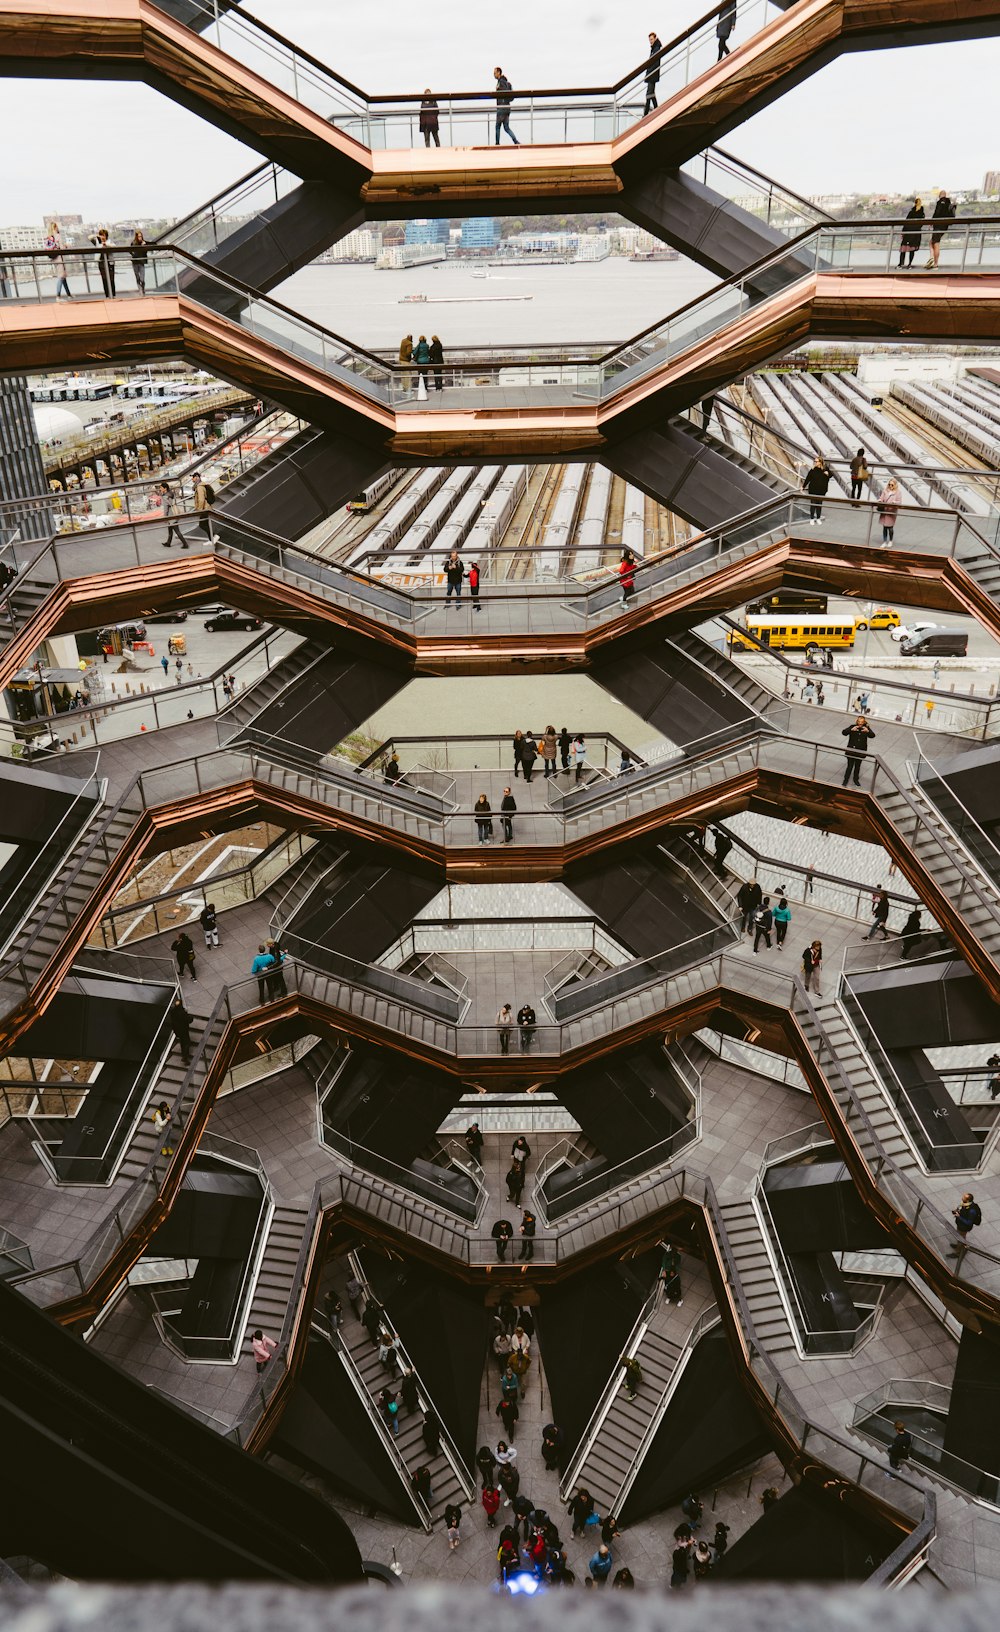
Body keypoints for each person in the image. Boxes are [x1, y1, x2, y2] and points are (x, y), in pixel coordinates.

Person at [842, 715, 875, 786]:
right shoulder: (852, 727)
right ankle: (845, 780)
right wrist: (851, 730)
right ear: (857, 721)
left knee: (857, 766)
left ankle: (856, 779)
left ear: (864, 722)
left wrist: (868, 731)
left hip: (860, 752)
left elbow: (872, 735)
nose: (860, 723)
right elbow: (844, 732)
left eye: (862, 722)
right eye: (859, 721)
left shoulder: (866, 728)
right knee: (850, 766)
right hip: (851, 751)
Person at [927, 189, 955, 268]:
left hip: (938, 225)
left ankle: (935, 263)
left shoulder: (940, 203)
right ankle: (932, 259)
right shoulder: (949, 203)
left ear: (940, 195)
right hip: (945, 226)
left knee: (936, 243)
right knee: (933, 242)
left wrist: (932, 222)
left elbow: (937, 213)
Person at [494, 67, 519, 144]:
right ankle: (516, 141)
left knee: (498, 126)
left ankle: (497, 144)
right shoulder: (506, 82)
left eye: (494, 73)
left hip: (502, 106)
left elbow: (503, 92)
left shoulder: (501, 82)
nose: (494, 75)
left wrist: (498, 89)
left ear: (499, 73)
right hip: (507, 107)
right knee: (506, 127)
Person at [45, 223, 71, 298]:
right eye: (56, 227)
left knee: (63, 276)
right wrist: (66, 246)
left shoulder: (49, 237)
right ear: (55, 228)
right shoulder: (57, 236)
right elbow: (62, 247)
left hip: (54, 258)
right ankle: (58, 296)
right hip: (59, 258)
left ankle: (69, 294)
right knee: (61, 276)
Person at [803, 456, 831, 524]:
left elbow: (831, 475)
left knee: (819, 504)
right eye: (814, 461)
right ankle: (812, 518)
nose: (815, 463)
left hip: (821, 490)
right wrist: (803, 486)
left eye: (816, 461)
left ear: (820, 462)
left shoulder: (825, 469)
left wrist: (827, 474)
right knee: (813, 504)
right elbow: (808, 478)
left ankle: (818, 518)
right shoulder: (813, 469)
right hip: (813, 489)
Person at [89, 227, 116, 297]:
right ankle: (107, 295)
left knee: (111, 279)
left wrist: (106, 244)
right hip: (101, 263)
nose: (103, 237)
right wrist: (97, 236)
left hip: (110, 263)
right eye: (101, 235)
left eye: (104, 235)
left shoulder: (109, 242)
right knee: (104, 280)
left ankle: (113, 294)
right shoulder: (97, 242)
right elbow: (89, 238)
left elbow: (114, 246)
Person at [898, 198, 925, 268]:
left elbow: (906, 222)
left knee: (903, 248)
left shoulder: (911, 212)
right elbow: (921, 224)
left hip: (908, 231)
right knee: (912, 249)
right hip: (915, 233)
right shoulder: (922, 214)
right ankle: (909, 264)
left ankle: (900, 264)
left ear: (915, 203)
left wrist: (903, 232)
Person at [643, 32, 662, 115]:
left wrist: (649, 72)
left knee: (649, 94)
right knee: (651, 93)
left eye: (651, 39)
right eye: (649, 40)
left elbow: (655, 63)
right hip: (651, 74)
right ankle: (656, 110)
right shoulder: (654, 48)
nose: (650, 41)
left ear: (655, 38)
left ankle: (646, 114)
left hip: (652, 75)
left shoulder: (656, 49)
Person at [193, 475, 216, 542]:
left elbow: (201, 500)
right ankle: (211, 540)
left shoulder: (199, 487)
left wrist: (199, 510)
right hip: (207, 507)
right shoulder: (203, 485)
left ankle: (214, 536)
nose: (192, 479)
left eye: (193, 478)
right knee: (206, 524)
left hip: (204, 509)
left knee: (202, 525)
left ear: (196, 478)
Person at [169, 997, 192, 1064]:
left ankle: (184, 1055)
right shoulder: (182, 1013)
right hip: (184, 1030)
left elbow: (172, 1022)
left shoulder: (173, 1012)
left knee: (182, 1042)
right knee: (187, 1042)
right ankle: (185, 1057)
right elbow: (188, 1020)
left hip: (178, 1030)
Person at [879, 479, 900, 546]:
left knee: (890, 527)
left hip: (891, 512)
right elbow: (881, 498)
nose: (890, 486)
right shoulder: (885, 491)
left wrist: (895, 502)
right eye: (889, 484)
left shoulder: (898, 492)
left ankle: (890, 540)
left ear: (895, 485)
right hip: (885, 511)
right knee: (884, 527)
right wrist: (880, 500)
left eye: (892, 485)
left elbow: (899, 501)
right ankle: (885, 541)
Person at [130, 229, 148, 293]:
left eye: (141, 236)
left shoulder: (144, 243)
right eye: (139, 236)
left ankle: (143, 289)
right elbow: (130, 251)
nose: (140, 238)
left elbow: (145, 252)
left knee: (142, 278)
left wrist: (144, 246)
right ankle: (140, 289)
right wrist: (134, 254)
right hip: (135, 262)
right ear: (136, 237)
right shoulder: (133, 243)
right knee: (137, 276)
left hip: (141, 262)